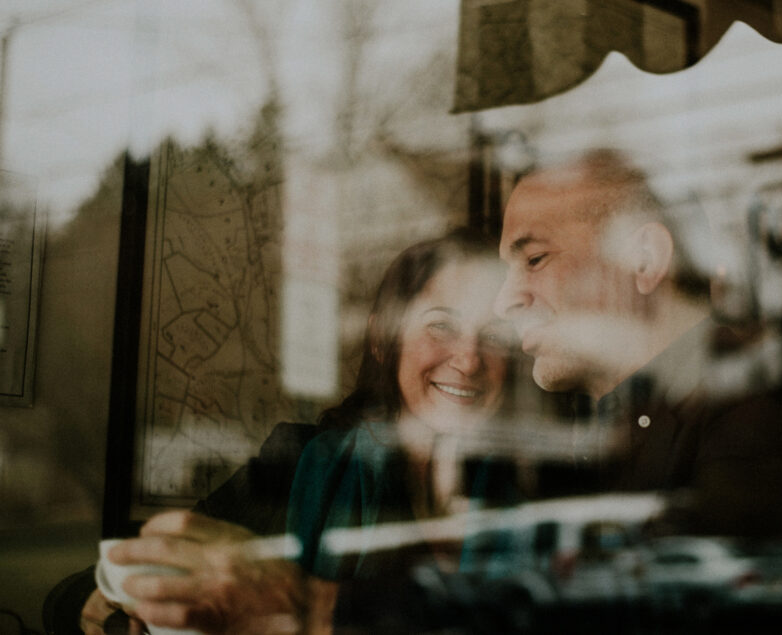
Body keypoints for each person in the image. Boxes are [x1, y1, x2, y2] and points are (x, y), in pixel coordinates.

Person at [492, 149, 782, 626]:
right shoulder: (650, 418)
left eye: (535, 258)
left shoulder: (764, 423)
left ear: (645, 261)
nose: (504, 300)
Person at [82, 229, 519, 634]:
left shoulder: (534, 485)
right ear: (384, 340)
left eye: (495, 334)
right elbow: (148, 563)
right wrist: (113, 595)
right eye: (441, 325)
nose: (469, 359)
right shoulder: (295, 460)